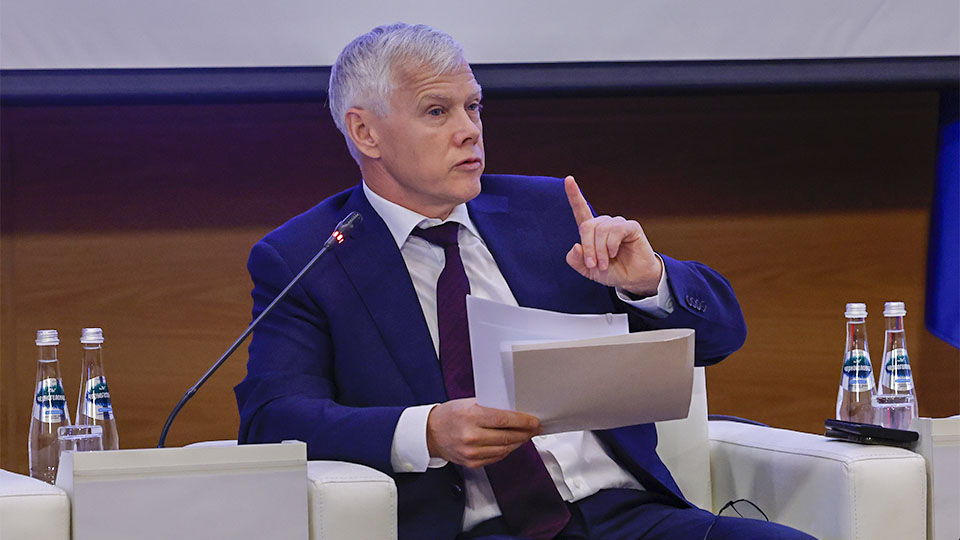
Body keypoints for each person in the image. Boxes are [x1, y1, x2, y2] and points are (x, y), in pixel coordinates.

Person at [235, 23, 815, 540]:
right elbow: (272, 418)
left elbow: (720, 338)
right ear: (365, 133)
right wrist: (427, 431)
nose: (469, 131)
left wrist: (650, 281)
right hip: (474, 529)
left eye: (473, 107)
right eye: (437, 112)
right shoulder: (307, 257)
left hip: (629, 515)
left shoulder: (549, 212)